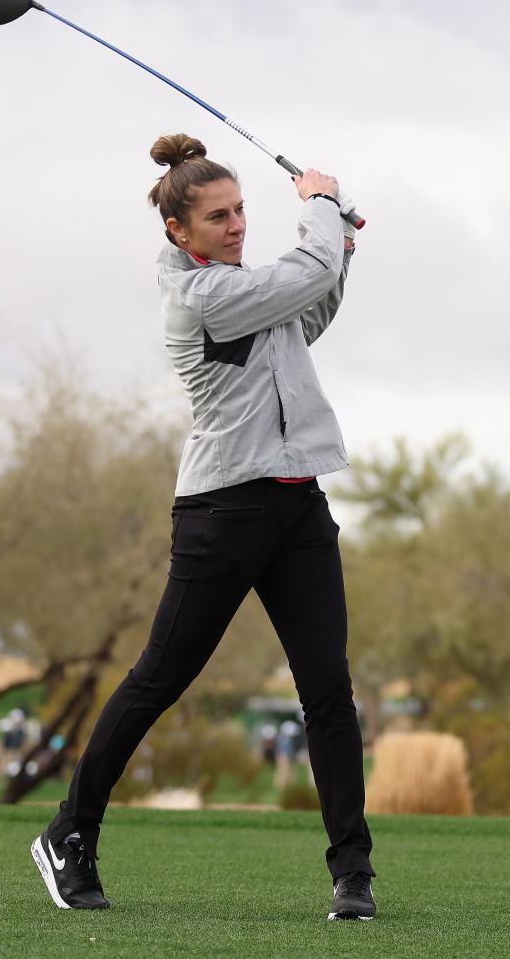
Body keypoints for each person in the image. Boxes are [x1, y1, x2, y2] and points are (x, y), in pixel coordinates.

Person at [31, 134, 376, 922]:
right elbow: (304, 273)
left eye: (241, 210)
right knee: (159, 679)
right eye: (218, 217)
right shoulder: (200, 299)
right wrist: (321, 205)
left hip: (296, 507)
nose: (237, 225)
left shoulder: (248, 288)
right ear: (178, 233)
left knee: (328, 690)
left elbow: (309, 314)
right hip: (223, 511)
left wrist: (342, 248)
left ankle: (352, 874)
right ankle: (69, 834)